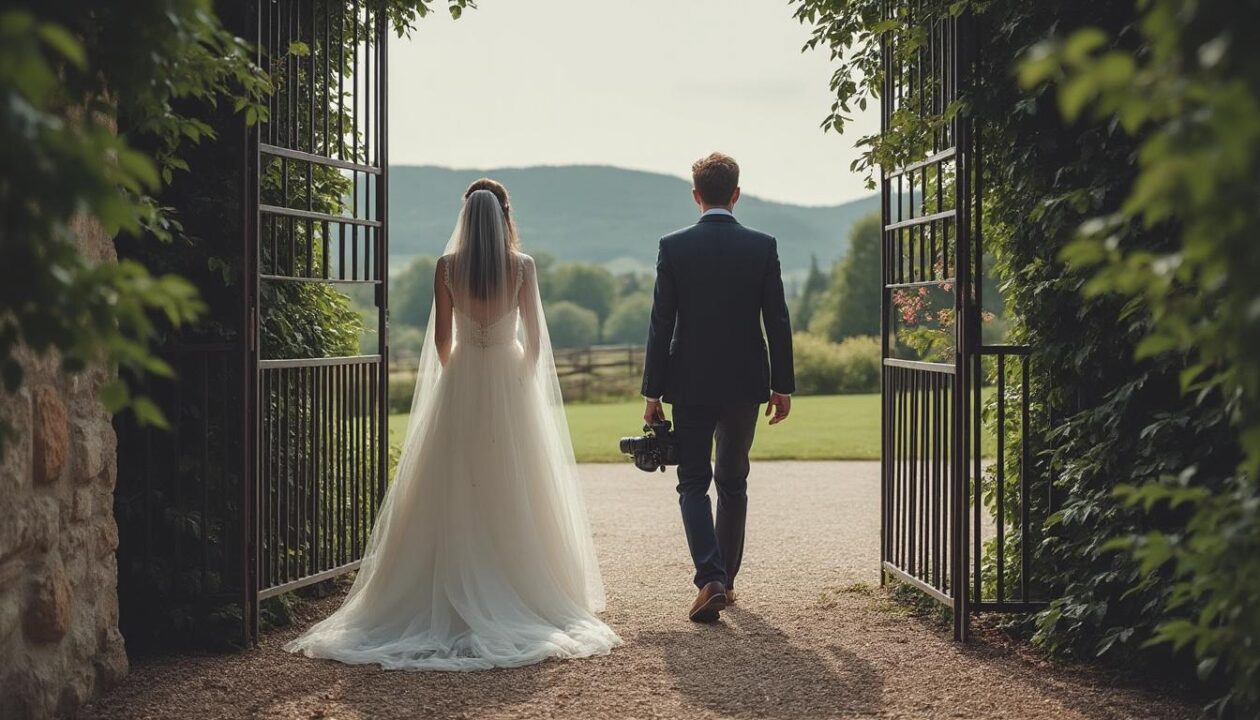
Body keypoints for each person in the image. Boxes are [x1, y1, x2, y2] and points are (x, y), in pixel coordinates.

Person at [285, 180, 620, 670]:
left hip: (462, 375)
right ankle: (519, 584)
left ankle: (448, 582)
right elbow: (536, 340)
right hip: (509, 374)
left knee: (451, 485)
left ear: (465, 217)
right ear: (505, 215)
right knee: (514, 484)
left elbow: (442, 339)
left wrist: (460, 378)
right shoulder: (522, 267)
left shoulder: (447, 268)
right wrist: (517, 381)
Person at [641, 152, 796, 623]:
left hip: (688, 382)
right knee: (733, 481)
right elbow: (778, 320)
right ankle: (725, 583)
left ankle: (709, 577)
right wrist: (781, 385)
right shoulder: (762, 245)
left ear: (696, 196)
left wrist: (652, 392)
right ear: (736, 194)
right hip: (746, 382)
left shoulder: (674, 246)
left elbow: (660, 323)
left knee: (692, 482)